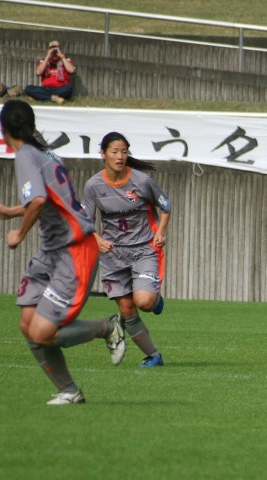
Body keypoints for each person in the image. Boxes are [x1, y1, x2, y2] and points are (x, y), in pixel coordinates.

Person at [0, 100, 126, 405]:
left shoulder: (25, 155)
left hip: (73, 251)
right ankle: (69, 391)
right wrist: (11, 212)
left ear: (4, 129)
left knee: (42, 332)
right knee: (28, 324)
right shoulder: (45, 153)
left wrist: (18, 234)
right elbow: (49, 200)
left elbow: (37, 201)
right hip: (51, 250)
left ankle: (107, 326)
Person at [83, 132, 170, 367]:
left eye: (124, 151)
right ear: (103, 154)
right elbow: (85, 221)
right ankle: (154, 356)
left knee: (144, 302)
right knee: (127, 308)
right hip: (113, 255)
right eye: (114, 151)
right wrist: (97, 239)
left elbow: (166, 205)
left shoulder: (141, 181)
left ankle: (153, 297)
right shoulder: (93, 185)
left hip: (143, 249)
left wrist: (161, 231)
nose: (120, 156)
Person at [24, 40, 75, 104]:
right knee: (28, 89)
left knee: (68, 89)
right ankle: (52, 98)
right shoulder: (44, 61)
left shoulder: (66, 60)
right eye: (52, 49)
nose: (54, 52)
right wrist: (47, 56)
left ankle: (39, 96)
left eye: (56, 48)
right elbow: (38, 72)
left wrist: (61, 56)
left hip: (60, 88)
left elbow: (71, 70)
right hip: (46, 88)